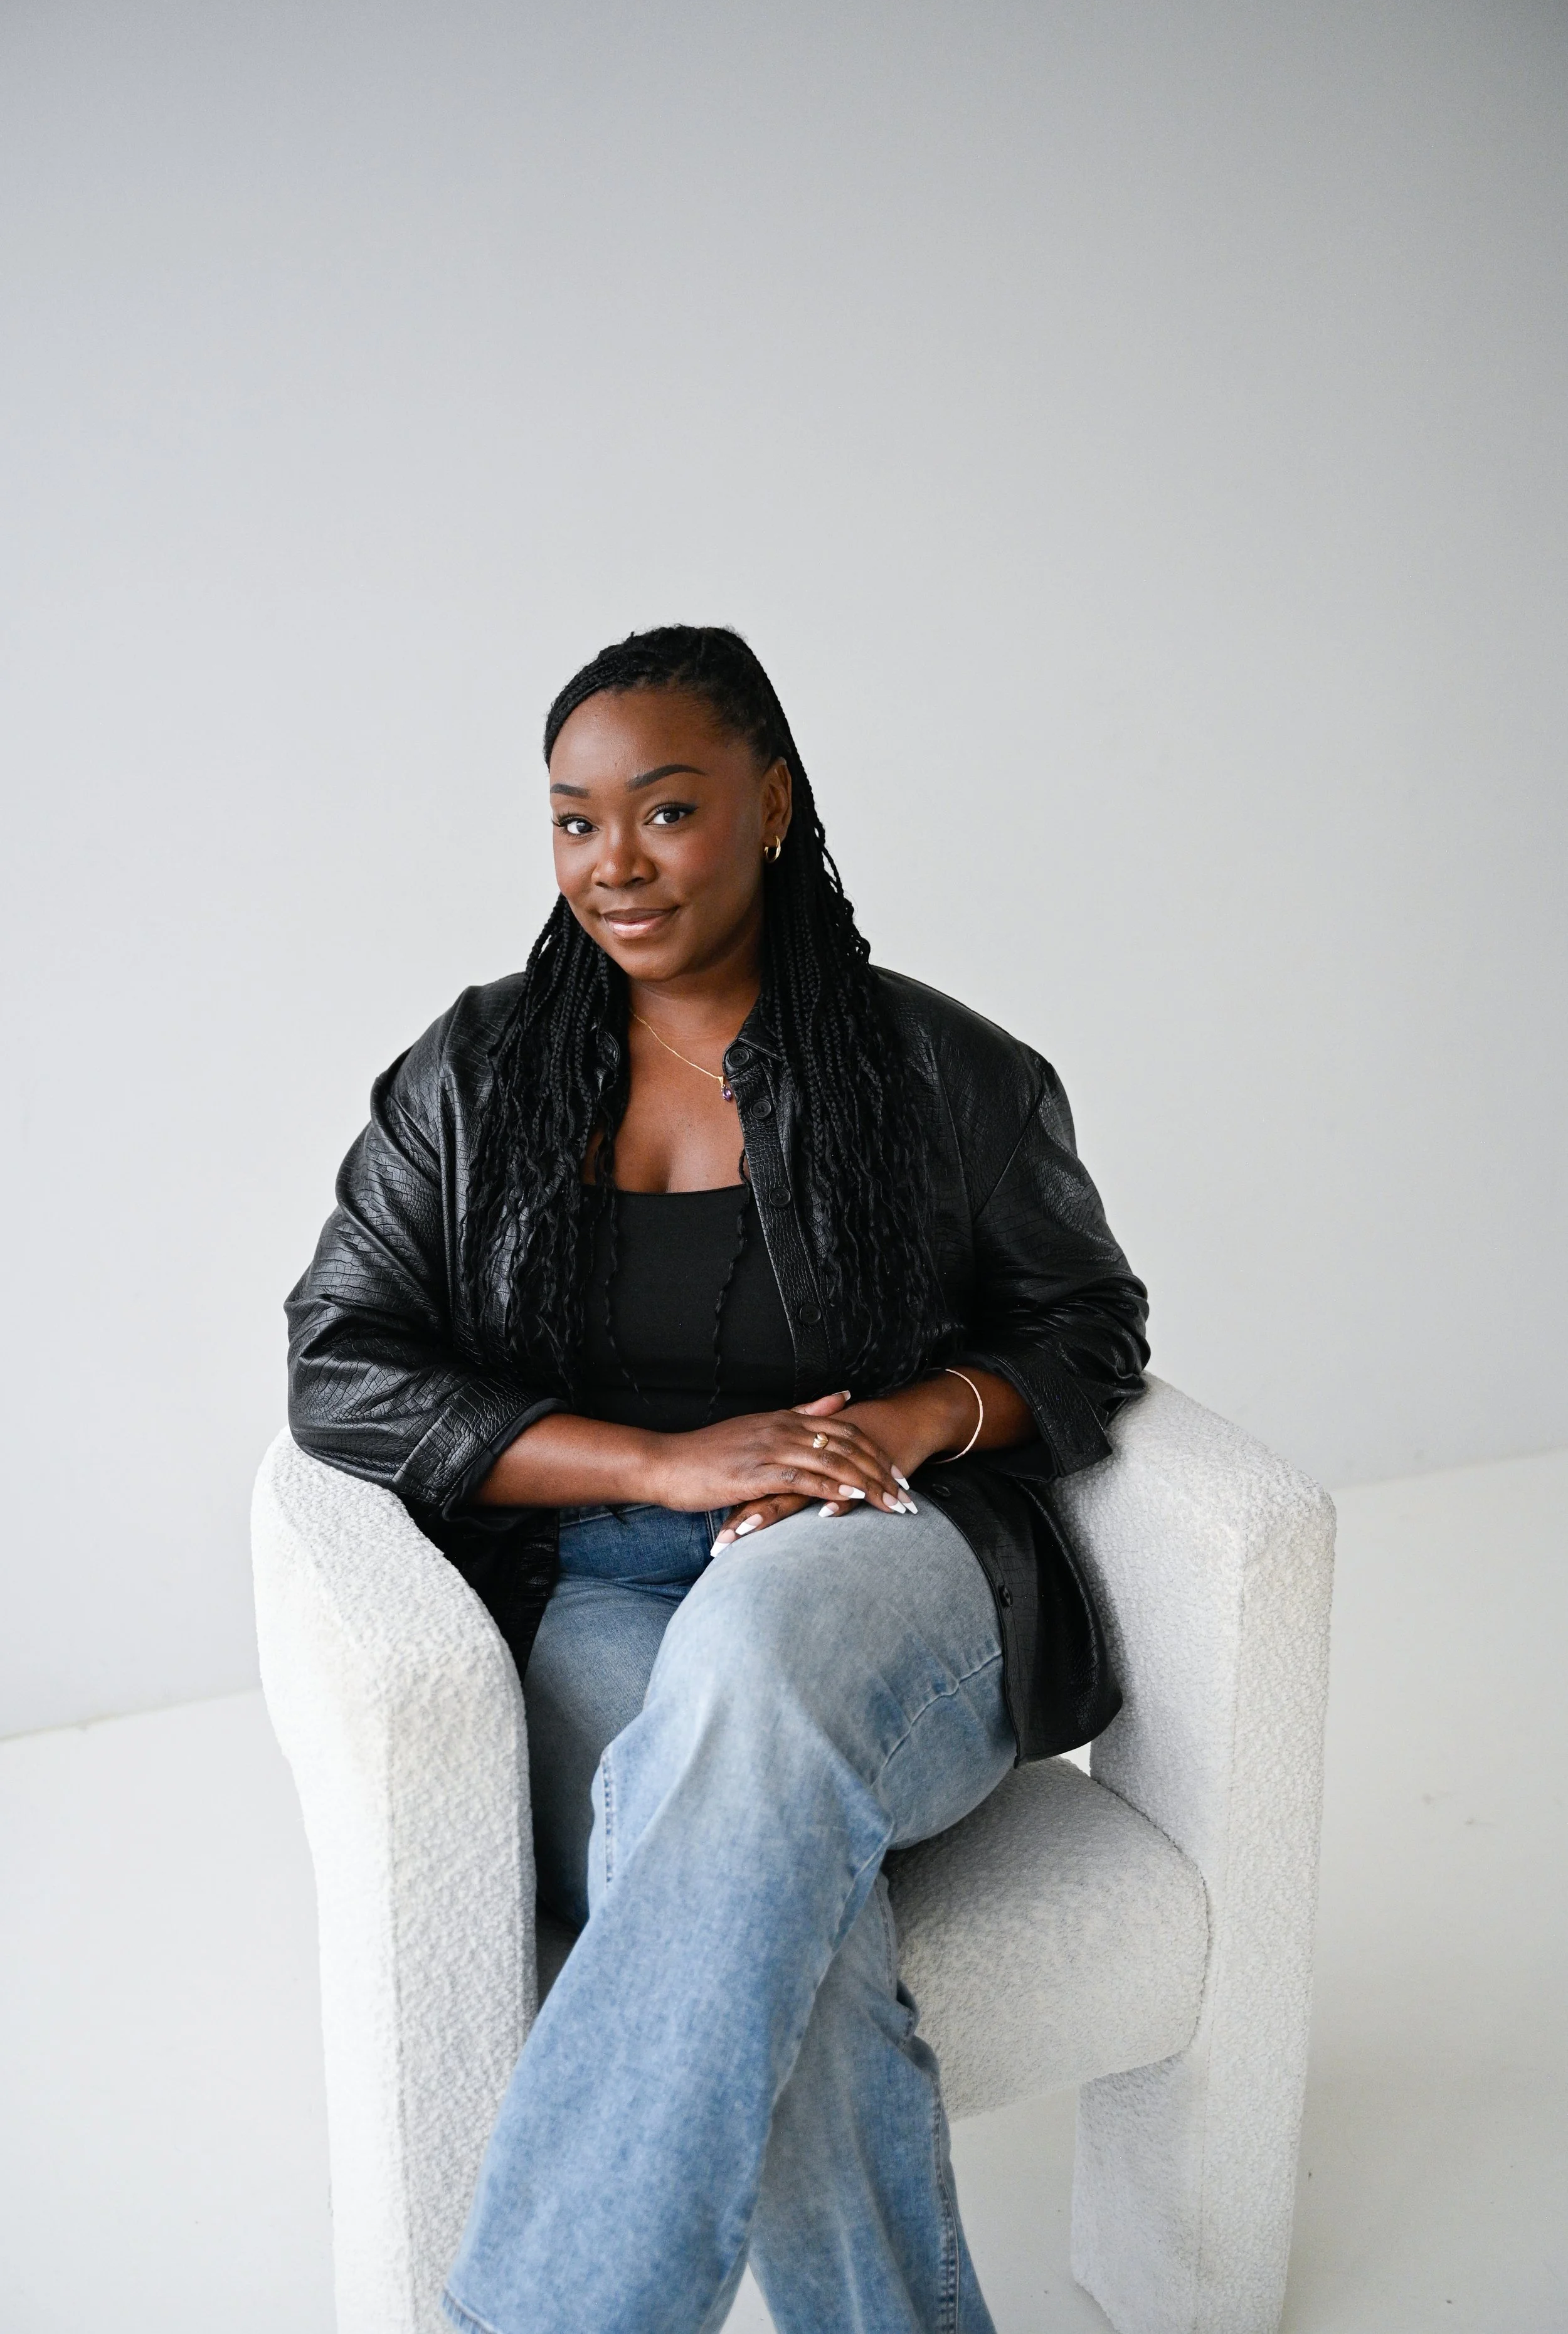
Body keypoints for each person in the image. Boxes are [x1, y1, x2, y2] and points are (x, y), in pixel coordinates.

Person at [287, 624, 1148, 2334]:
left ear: (771, 806)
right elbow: (342, 1360)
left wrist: (912, 1419)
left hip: (871, 1549)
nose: (614, 863)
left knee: (748, 1676)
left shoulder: (942, 1072)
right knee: (768, 1915)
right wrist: (663, 1465)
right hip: (593, 1581)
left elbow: (1085, 1328)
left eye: (664, 811)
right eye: (572, 820)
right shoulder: (472, 1078)